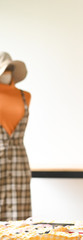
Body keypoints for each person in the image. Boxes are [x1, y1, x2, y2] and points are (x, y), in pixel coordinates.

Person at [0, 51, 32, 221]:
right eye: (4, 68)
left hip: (19, 160)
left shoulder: (25, 96)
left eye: (10, 68)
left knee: (20, 219)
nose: (7, 72)